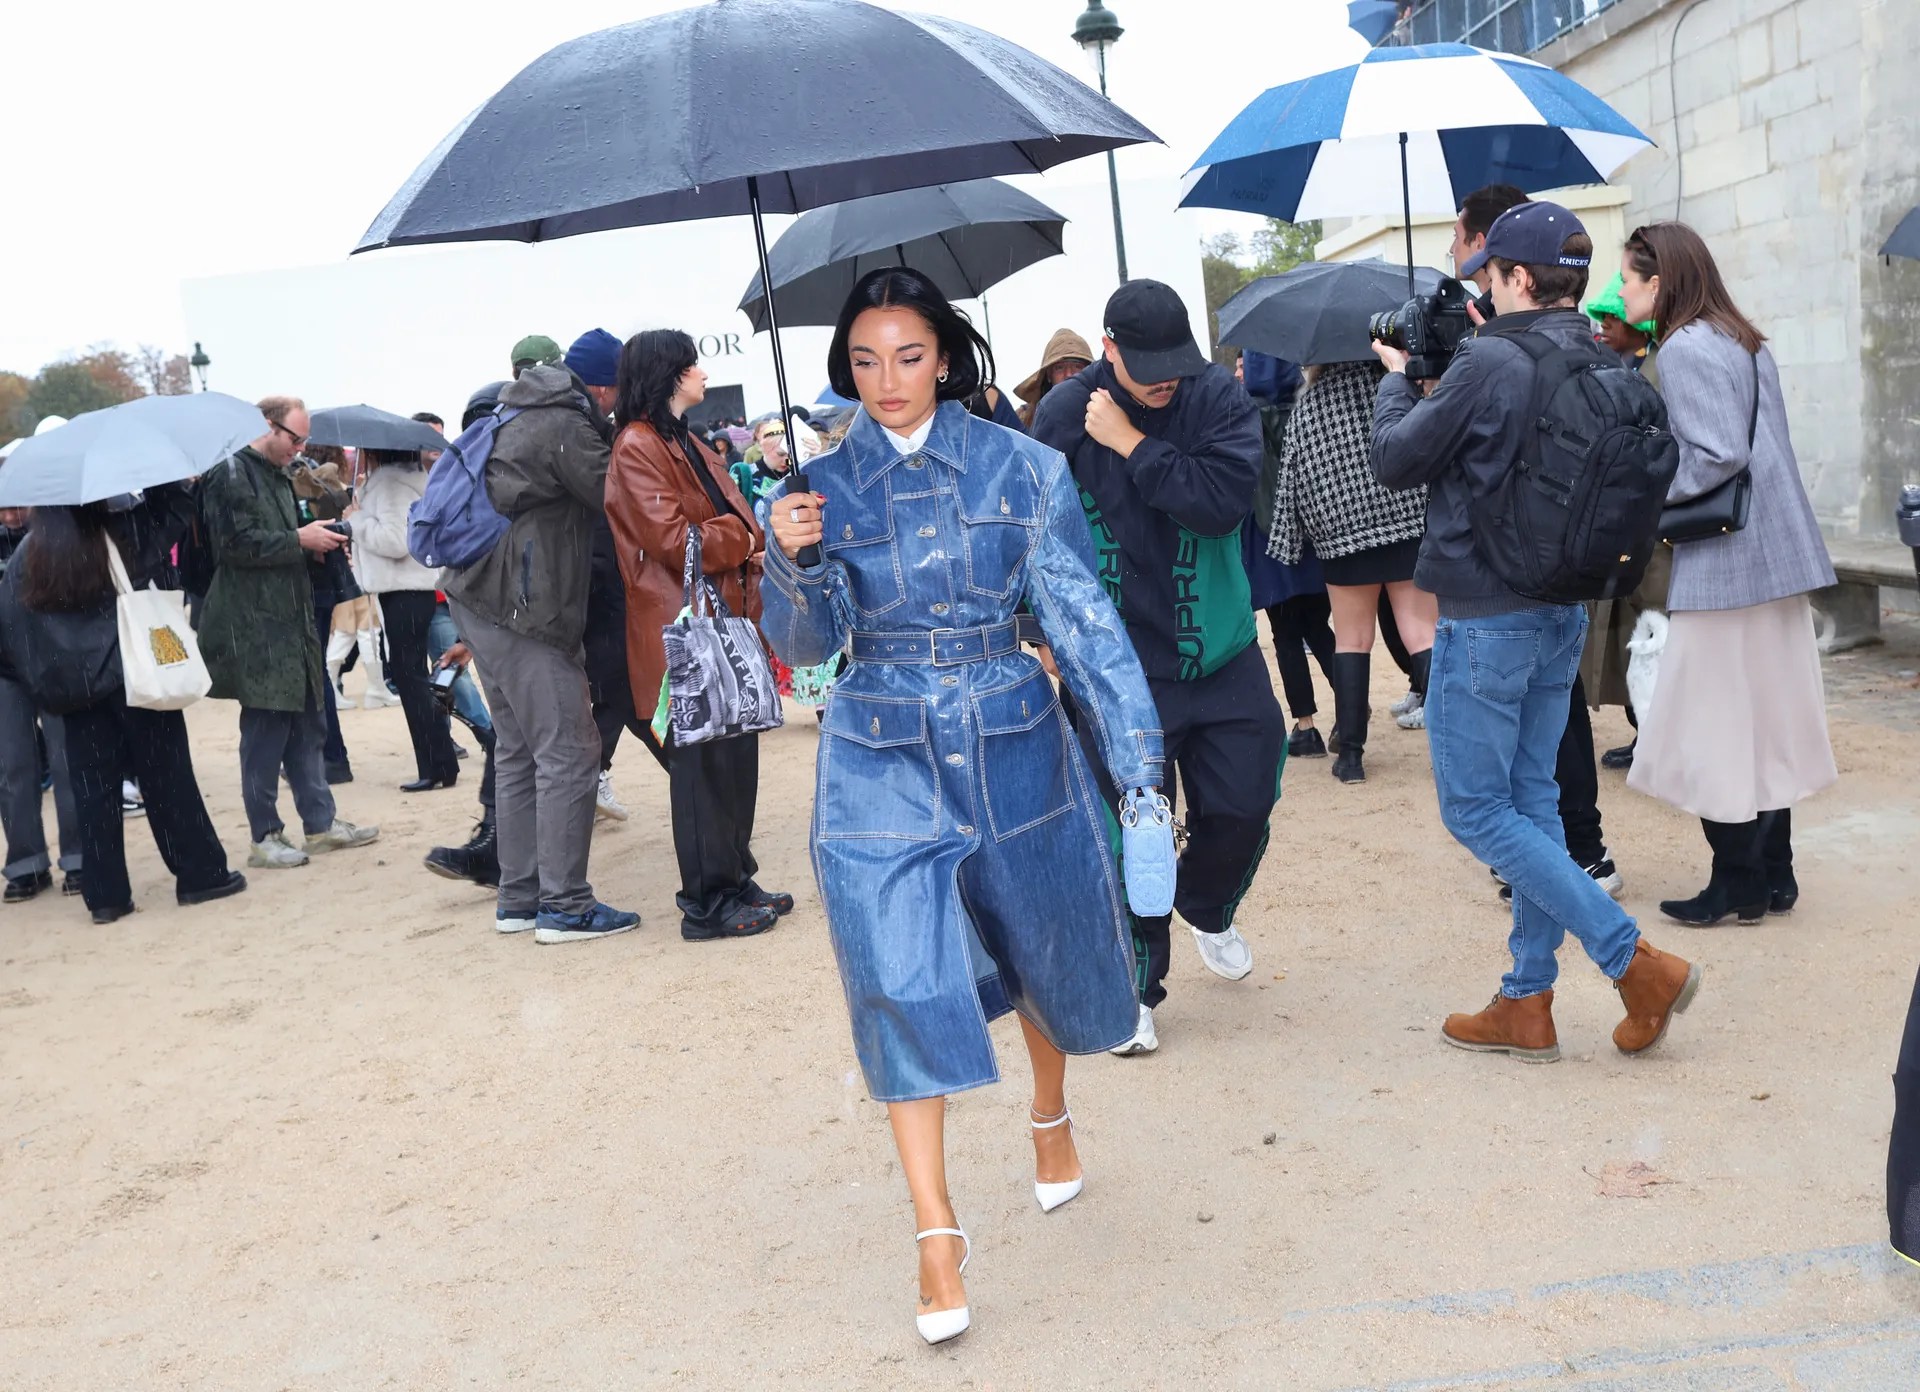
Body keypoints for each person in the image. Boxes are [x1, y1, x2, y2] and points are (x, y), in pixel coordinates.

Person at [760, 266, 1164, 1346]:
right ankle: (936, 1233)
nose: (885, 380)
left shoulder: (1022, 467)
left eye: (907, 355)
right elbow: (806, 650)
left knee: (1037, 943)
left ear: (944, 356)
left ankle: (1050, 1112)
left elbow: (1079, 616)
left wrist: (1138, 768)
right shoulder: (813, 492)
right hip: (875, 748)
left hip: (1010, 730)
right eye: (863, 361)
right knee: (894, 975)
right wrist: (791, 561)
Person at [1370, 200, 1702, 1062]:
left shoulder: (1488, 360)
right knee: (1531, 803)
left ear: (1517, 277)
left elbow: (1396, 458)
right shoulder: (1598, 353)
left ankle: (1633, 961)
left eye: (1490, 273)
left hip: (1487, 618)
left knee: (1476, 809)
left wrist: (1397, 378)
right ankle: (1526, 999)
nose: (1484, 288)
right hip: (1563, 611)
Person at [1033, 279, 1285, 1056]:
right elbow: (1032, 531)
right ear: (1109, 350)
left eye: (1177, 362)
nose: (1166, 379)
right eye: (1149, 367)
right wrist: (1039, 627)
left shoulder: (1217, 399)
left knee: (1248, 798)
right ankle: (1135, 991)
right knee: (1129, 837)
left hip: (1219, 648)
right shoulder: (1060, 414)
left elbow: (1221, 504)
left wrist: (1130, 443)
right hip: (1116, 668)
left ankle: (1206, 903)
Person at [1619, 221, 1837, 925]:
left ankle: (1738, 879)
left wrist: (1648, 491)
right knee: (1767, 717)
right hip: (1776, 551)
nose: (1620, 291)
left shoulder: (1683, 346)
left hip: (1724, 559)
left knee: (1714, 721)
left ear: (1660, 283)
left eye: (1628, 279)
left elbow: (1715, 455)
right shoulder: (1744, 338)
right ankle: (1774, 874)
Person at [442, 357, 641, 945]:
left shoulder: (514, 412)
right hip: (524, 606)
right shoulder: (562, 423)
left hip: (478, 599)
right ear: (604, 386)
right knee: (570, 752)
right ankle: (565, 906)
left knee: (520, 751)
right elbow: (619, 495)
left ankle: (521, 898)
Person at [604, 330, 790, 942]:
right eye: (691, 364)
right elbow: (674, 541)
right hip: (683, 628)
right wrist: (744, 534)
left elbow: (719, 522)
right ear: (667, 374)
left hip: (719, 616)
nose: (703, 373)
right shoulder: (638, 444)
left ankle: (735, 879)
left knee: (734, 757)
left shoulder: (682, 439)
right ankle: (707, 903)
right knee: (702, 769)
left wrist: (740, 532)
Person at [0, 489, 246, 923]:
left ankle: (105, 895)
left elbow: (12, 630)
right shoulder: (122, 530)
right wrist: (152, 482)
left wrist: (47, 679)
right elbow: (176, 509)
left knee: (91, 792)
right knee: (168, 777)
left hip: (75, 691)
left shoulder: (29, 554)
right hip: (132, 673)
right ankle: (199, 873)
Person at [199, 397, 381, 870]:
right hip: (255, 625)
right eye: (295, 439)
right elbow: (232, 546)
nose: (300, 449)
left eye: (303, 440)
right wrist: (300, 539)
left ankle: (320, 825)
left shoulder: (274, 473)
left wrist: (312, 539)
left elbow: (266, 540)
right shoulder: (231, 472)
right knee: (265, 731)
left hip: (290, 619)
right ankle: (265, 836)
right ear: (267, 426)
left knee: (307, 725)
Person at [1267, 356, 1434, 784]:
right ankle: (1457, 741)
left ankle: (1352, 758)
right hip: (1407, 525)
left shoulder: (1310, 404)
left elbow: (1291, 477)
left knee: (1351, 641)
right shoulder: (1400, 390)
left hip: (1341, 538)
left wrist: (1288, 543)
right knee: (1422, 634)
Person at [350, 447, 463, 791]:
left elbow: (396, 541)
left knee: (410, 678)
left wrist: (356, 520)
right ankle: (439, 763)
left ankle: (437, 764)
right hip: (410, 590)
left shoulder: (390, 484)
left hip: (404, 590)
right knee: (412, 676)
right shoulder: (400, 480)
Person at [1241, 351, 1335, 758]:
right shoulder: (1311, 404)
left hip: (1267, 539)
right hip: (1314, 530)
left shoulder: (1242, 416)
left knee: (1285, 634)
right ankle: (1350, 705)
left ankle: (1306, 727)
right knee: (1318, 625)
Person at [0, 506, 82, 900]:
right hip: (5, 668)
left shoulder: (58, 533)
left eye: (17, 505)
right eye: (2, 507)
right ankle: (26, 862)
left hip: (53, 659)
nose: (10, 515)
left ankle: (79, 856)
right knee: (12, 765)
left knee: (68, 760)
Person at [1012, 328, 1093, 428]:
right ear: (1049, 375)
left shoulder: (1105, 413)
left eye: (1077, 366)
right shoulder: (1023, 420)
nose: (1068, 374)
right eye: (1060, 368)